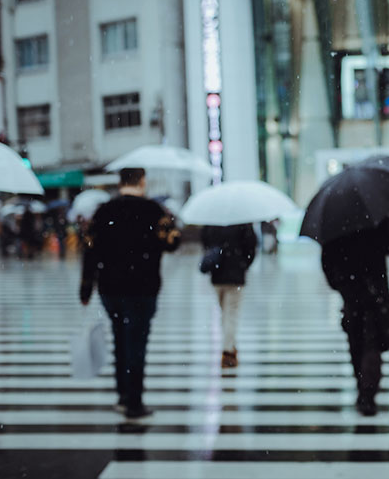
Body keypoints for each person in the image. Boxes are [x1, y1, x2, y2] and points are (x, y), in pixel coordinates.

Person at [79, 168, 181, 420]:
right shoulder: (154, 211)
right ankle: (134, 402)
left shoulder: (103, 212)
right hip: (143, 287)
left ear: (120, 182)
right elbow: (172, 243)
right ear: (142, 181)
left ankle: (123, 394)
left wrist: (86, 284)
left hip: (110, 288)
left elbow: (89, 249)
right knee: (137, 342)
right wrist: (171, 227)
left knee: (120, 338)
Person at [320, 216, 389, 416]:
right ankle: (368, 392)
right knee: (373, 341)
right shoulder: (378, 217)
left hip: (351, 290)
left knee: (356, 340)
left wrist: (338, 282)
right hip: (376, 288)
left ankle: (362, 386)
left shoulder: (336, 222)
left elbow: (327, 258)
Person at [200, 224, 258, 368]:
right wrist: (243, 263)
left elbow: (205, 242)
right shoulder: (243, 222)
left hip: (217, 274)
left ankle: (230, 345)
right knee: (230, 314)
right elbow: (251, 247)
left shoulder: (212, 220)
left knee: (225, 313)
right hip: (236, 275)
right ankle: (228, 351)